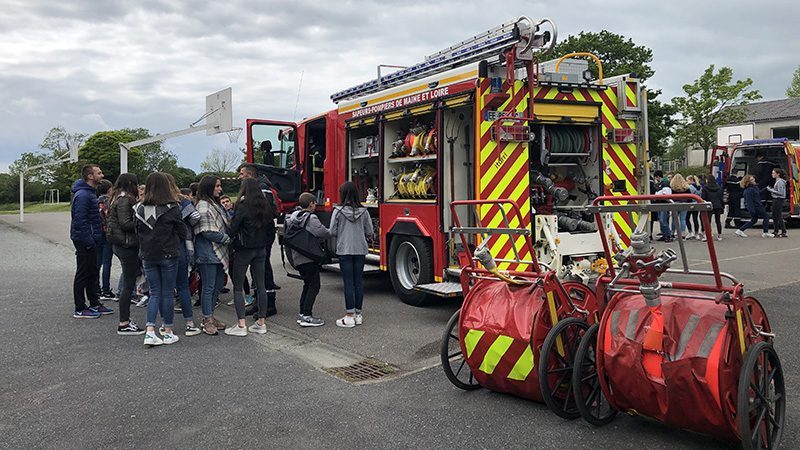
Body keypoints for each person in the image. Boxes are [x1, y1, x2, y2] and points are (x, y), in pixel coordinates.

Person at [134, 172, 190, 346]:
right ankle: (168, 332)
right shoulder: (172, 208)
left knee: (154, 293)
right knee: (167, 293)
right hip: (168, 254)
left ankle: (150, 331)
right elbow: (182, 232)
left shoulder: (139, 209)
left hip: (148, 255)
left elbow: (137, 232)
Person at [225, 178, 273, 336]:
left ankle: (241, 325)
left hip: (244, 249)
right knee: (261, 286)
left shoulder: (243, 206)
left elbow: (232, 230)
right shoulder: (265, 206)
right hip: (261, 249)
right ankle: (261, 322)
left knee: (238, 287)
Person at [70, 164, 114, 319]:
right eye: (99, 173)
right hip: (85, 240)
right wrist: (88, 240)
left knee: (93, 271)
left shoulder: (90, 194)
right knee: (83, 272)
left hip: (93, 238)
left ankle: (95, 302)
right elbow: (79, 221)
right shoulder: (83, 195)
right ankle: (80, 308)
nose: (102, 175)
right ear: (90, 176)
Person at [328, 182, 374, 328]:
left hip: (344, 250)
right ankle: (358, 315)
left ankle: (349, 316)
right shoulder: (364, 211)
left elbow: (332, 232)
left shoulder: (338, 211)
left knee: (348, 283)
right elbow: (370, 232)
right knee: (358, 282)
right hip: (360, 250)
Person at [238, 163, 279, 317]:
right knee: (257, 270)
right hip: (257, 235)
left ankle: (269, 304)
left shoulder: (263, 189)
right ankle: (258, 302)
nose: (239, 177)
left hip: (262, 235)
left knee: (264, 269)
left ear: (249, 175)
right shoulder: (257, 188)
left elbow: (265, 212)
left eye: (242, 174)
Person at [106, 173, 145, 335]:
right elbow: (126, 223)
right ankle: (124, 323)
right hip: (127, 245)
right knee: (128, 285)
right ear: (130, 183)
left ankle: (125, 321)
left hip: (120, 243)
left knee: (129, 282)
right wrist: (143, 222)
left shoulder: (116, 197)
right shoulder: (125, 199)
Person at [285, 192, 330, 327]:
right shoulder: (311, 218)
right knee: (314, 286)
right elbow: (322, 232)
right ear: (311, 204)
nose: (315, 205)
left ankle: (302, 313)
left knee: (307, 284)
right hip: (309, 257)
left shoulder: (293, 217)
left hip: (298, 257)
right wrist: (333, 230)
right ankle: (307, 316)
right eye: (314, 203)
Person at [194, 175, 230, 335]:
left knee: (216, 286)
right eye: (217, 186)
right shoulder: (203, 206)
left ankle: (211, 316)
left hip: (215, 252)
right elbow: (207, 231)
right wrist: (227, 238)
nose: (220, 189)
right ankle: (207, 319)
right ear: (209, 187)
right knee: (208, 287)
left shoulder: (212, 204)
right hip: (208, 252)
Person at [171, 176, 202, 336]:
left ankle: (165, 326)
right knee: (183, 285)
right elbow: (196, 217)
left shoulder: (148, 203)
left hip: (156, 250)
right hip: (181, 245)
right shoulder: (181, 202)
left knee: (161, 290)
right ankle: (189, 323)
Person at [95, 179, 115, 300]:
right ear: (109, 189)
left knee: (98, 262)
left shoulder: (95, 201)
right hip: (107, 233)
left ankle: (96, 287)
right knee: (107, 262)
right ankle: (106, 289)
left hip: (97, 234)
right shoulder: (110, 202)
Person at [701, 175, 724, 241]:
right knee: (718, 220)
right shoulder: (719, 187)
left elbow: (703, 198)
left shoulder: (705, 188)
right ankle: (719, 235)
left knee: (708, 221)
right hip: (718, 205)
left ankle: (707, 235)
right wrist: (722, 205)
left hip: (709, 205)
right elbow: (721, 197)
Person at [767, 168, 788, 238]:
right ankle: (775, 230)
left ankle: (783, 231)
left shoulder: (780, 182)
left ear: (778, 174)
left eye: (774, 173)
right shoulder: (777, 181)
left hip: (778, 200)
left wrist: (770, 190)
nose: (772, 174)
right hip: (775, 199)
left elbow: (781, 192)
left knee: (778, 216)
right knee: (774, 216)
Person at [653, 170, 673, 242]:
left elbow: (666, 194)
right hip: (659, 204)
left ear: (657, 177)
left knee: (663, 220)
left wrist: (658, 194)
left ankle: (669, 235)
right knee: (661, 220)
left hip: (664, 204)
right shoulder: (658, 184)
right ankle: (664, 235)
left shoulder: (665, 183)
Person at [670, 173, 691, 238]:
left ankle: (672, 232)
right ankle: (683, 233)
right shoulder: (686, 187)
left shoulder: (672, 187)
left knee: (674, 219)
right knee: (683, 219)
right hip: (684, 203)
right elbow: (689, 197)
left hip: (675, 203)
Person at [686, 175, 703, 240]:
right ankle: (696, 233)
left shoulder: (690, 187)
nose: (687, 182)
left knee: (687, 218)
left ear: (691, 180)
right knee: (695, 219)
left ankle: (690, 232)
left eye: (687, 180)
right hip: (697, 204)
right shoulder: (699, 187)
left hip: (690, 204)